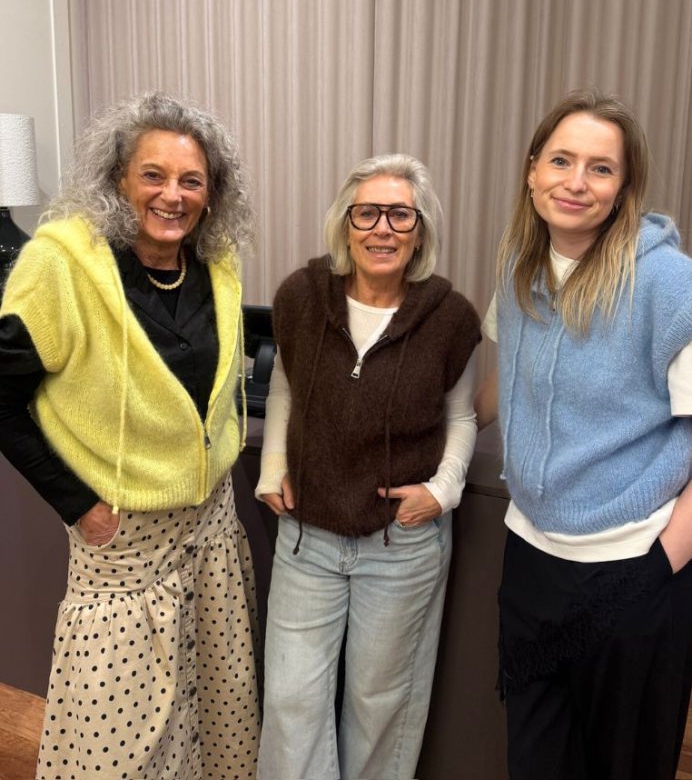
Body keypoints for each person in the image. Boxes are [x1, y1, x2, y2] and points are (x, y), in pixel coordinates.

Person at [0, 92, 261, 779]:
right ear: (119, 178)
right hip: (122, 541)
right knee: (111, 737)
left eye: (191, 180)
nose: (172, 195)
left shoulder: (217, 264)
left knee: (214, 708)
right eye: (153, 174)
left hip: (210, 528)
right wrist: (79, 506)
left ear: (212, 193)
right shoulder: (62, 265)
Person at [475, 89, 692, 780]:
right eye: (561, 160)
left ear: (624, 186)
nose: (576, 182)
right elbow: (510, 378)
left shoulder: (669, 284)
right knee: (537, 758)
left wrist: (659, 567)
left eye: (601, 168)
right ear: (532, 170)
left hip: (631, 567)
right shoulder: (521, 267)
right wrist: (434, 439)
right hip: (532, 560)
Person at [255, 153, 481, 780]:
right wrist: (272, 465)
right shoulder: (301, 297)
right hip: (307, 537)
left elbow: (461, 417)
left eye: (400, 215)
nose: (383, 228)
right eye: (368, 213)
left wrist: (442, 491)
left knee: (379, 705)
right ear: (346, 224)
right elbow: (284, 388)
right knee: (292, 700)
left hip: (400, 545)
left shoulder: (451, 317)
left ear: (420, 231)